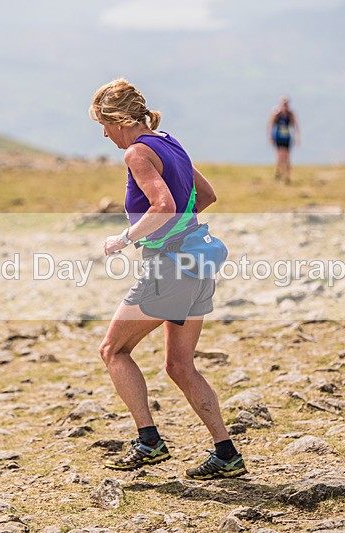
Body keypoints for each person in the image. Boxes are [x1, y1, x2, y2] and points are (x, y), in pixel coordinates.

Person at [90, 79, 247, 480]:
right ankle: (226, 453)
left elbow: (164, 205)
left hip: (171, 267)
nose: (104, 134)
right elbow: (206, 195)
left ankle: (149, 441)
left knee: (113, 350)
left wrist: (124, 238)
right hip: (198, 259)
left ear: (117, 120)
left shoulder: (136, 152)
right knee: (180, 365)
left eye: (103, 125)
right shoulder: (169, 142)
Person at [268, 96, 300, 183]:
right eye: (283, 103)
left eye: (286, 103)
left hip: (286, 138)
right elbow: (270, 125)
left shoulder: (290, 114)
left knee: (287, 157)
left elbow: (295, 126)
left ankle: (287, 176)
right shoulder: (276, 114)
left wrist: (297, 137)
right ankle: (278, 172)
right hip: (278, 137)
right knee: (280, 156)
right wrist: (271, 137)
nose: (285, 105)